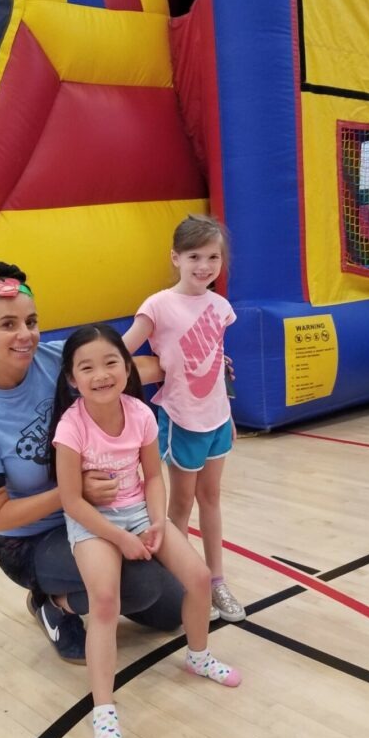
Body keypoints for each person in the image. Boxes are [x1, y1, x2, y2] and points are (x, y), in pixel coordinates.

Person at [0, 259, 185, 665]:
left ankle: (93, 590)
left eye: (31, 321)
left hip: (98, 514)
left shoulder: (56, 358)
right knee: (142, 583)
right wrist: (73, 492)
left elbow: (127, 368)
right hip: (31, 540)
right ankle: (53, 602)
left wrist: (199, 371)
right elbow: (1, 517)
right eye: (8, 325)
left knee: (173, 609)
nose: (25, 335)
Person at [51, 324, 242, 738]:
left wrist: (157, 523)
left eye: (111, 362)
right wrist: (118, 537)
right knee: (104, 600)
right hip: (94, 523)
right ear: (71, 379)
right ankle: (103, 712)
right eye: (87, 367)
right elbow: (71, 500)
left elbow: (154, 477)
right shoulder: (70, 426)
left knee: (197, 578)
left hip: (139, 511)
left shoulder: (139, 412)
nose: (101, 374)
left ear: (127, 366)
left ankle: (199, 656)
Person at [122, 214, 245, 623]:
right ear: (175, 257)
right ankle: (175, 583)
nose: (205, 265)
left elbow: (214, 358)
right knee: (179, 506)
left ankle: (215, 581)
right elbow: (121, 354)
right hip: (181, 420)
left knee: (211, 500)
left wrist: (224, 399)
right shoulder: (158, 305)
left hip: (217, 420)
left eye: (213, 257)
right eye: (194, 256)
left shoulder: (220, 306)